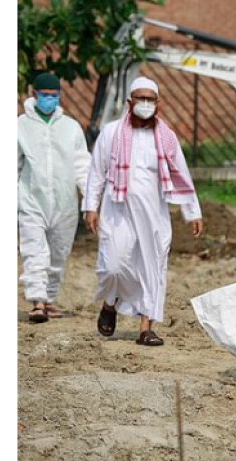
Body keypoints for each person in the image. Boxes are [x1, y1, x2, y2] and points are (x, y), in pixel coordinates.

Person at [83, 77, 203, 347]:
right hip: (117, 212)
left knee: (153, 268)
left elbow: (181, 174)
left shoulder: (167, 138)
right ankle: (111, 303)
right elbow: (97, 172)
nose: (145, 104)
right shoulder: (112, 133)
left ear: (158, 103)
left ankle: (146, 327)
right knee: (113, 266)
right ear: (130, 102)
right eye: (140, 98)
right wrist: (91, 206)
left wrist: (192, 211)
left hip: (154, 215)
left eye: (151, 99)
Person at [18, 73, 91, 323]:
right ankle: (37, 302)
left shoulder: (70, 127)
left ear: (58, 96)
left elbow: (82, 164)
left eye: (53, 95)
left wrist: (89, 198)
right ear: (34, 94)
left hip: (65, 203)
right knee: (34, 251)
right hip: (31, 200)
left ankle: (48, 300)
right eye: (44, 95)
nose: (48, 99)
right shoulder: (20, 126)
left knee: (59, 253)